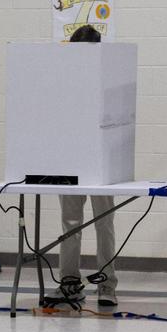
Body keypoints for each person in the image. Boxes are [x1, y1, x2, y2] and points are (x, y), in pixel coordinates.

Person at [51, 24, 118, 308]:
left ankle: (107, 284)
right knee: (70, 223)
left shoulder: (110, 79)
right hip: (71, 159)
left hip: (101, 160)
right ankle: (69, 281)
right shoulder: (64, 81)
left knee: (104, 222)